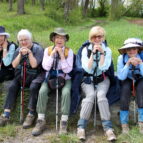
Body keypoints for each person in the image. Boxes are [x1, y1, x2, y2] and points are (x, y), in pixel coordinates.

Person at [76, 26, 116, 141]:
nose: (97, 39)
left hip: (102, 78)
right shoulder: (85, 50)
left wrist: (102, 53)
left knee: (101, 95)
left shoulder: (107, 50)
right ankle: (81, 127)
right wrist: (93, 54)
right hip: (88, 79)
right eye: (94, 37)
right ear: (90, 38)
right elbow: (87, 69)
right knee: (90, 95)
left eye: (99, 36)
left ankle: (108, 129)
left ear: (103, 38)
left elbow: (103, 67)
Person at [32, 27, 74, 136]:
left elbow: (68, 70)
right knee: (42, 91)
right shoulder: (48, 50)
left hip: (64, 78)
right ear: (53, 39)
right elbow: (45, 67)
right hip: (50, 77)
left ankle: (64, 121)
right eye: (57, 37)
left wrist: (61, 55)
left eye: (62, 38)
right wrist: (52, 54)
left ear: (65, 40)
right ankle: (41, 120)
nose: (59, 40)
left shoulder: (69, 51)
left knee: (66, 93)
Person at [0, 29, 44, 128]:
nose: (23, 42)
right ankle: (6, 114)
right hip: (21, 75)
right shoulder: (17, 50)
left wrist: (30, 53)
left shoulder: (38, 49)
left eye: (26, 39)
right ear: (18, 41)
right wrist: (20, 54)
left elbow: (34, 65)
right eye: (21, 40)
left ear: (31, 39)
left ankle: (31, 114)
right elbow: (14, 65)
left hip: (36, 75)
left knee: (33, 87)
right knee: (12, 86)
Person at [117, 38, 143, 134]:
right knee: (124, 93)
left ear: (138, 49)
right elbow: (121, 76)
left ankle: (141, 123)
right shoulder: (121, 58)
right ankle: (124, 124)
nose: (132, 51)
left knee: (141, 93)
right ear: (125, 50)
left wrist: (140, 63)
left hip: (140, 78)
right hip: (127, 78)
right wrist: (127, 64)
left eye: (134, 49)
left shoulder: (142, 56)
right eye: (129, 49)